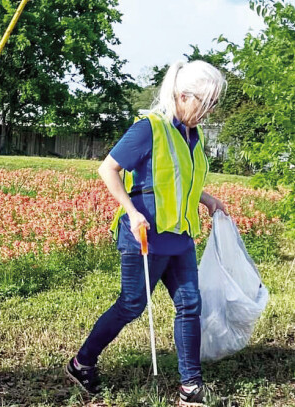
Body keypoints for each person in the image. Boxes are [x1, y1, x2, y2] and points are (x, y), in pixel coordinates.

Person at [64, 60, 227, 406]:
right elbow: (107, 169)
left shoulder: (192, 137)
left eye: (213, 104)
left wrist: (206, 198)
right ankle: (82, 362)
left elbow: (176, 181)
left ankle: (190, 386)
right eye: (206, 102)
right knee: (132, 304)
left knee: (189, 305)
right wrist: (132, 210)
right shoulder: (148, 129)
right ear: (183, 96)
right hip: (145, 237)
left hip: (180, 237)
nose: (208, 111)